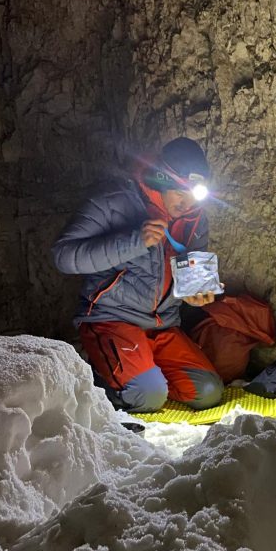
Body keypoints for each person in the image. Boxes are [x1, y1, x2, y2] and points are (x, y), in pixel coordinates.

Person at [52, 137, 224, 412]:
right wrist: (135, 242)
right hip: (112, 319)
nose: (188, 202)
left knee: (208, 392)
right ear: (163, 179)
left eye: (195, 194)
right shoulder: (115, 201)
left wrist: (196, 293)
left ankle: (141, 372)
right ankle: (99, 372)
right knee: (148, 396)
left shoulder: (194, 218)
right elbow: (63, 256)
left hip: (163, 326)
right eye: (182, 191)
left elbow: (192, 266)